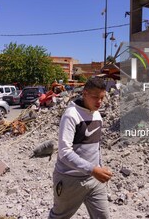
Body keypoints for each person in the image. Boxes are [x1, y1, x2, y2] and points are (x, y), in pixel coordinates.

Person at [48, 77, 112, 219]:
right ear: (84, 94)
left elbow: (96, 147)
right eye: (95, 97)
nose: (99, 102)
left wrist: (99, 167)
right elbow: (64, 152)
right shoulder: (71, 115)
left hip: (94, 181)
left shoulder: (97, 115)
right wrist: (93, 169)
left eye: (102, 98)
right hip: (70, 180)